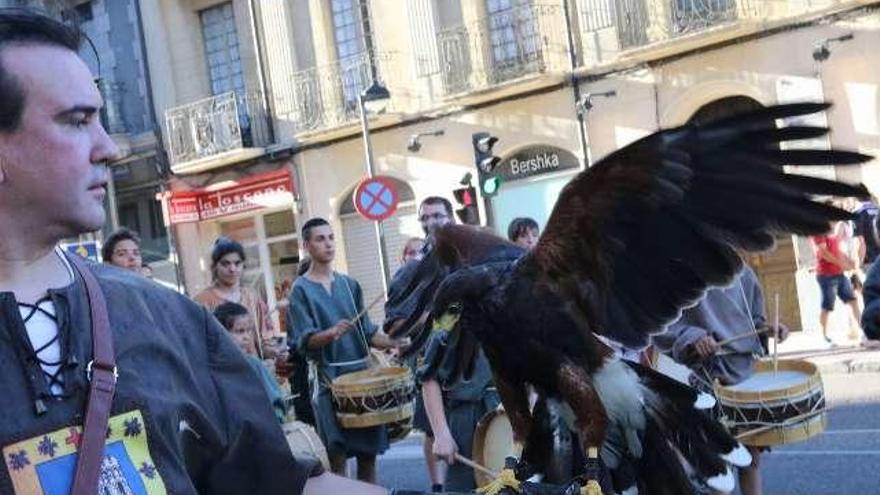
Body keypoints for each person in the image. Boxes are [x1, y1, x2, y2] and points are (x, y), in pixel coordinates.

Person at [0, 10, 392, 494]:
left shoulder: (164, 316)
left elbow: (274, 483)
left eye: (100, 119)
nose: (109, 148)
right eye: (77, 121)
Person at [384, 197, 499, 492]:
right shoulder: (414, 272)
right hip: (451, 386)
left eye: (438, 215)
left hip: (501, 406)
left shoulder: (502, 302)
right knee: (436, 436)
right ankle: (436, 483)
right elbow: (397, 326)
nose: (431, 222)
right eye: (425, 217)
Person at [653, 266, 788, 495]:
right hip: (711, 379)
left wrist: (769, 329)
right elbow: (664, 327)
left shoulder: (744, 272)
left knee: (751, 462)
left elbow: (755, 321)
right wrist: (693, 338)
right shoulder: (684, 271)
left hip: (746, 377)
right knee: (720, 472)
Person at [288, 217, 405, 483]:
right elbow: (303, 341)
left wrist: (397, 341)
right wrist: (330, 333)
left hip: (363, 380)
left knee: (368, 455)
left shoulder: (349, 285)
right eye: (320, 239)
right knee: (336, 458)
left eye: (331, 237)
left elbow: (369, 333)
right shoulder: (300, 290)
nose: (328, 244)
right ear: (307, 245)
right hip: (330, 382)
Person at [194, 237, 277, 358]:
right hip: (223, 371)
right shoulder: (201, 301)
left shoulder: (252, 297)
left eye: (237, 263)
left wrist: (274, 353)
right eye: (225, 264)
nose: (232, 269)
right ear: (214, 267)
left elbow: (263, 339)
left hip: (253, 369)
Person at [214, 302, 287, 423]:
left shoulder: (254, 365)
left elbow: (276, 402)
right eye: (240, 331)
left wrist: (275, 422)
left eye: (249, 331)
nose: (247, 337)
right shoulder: (214, 369)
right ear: (220, 333)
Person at [812, 219, 862, 344]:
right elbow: (823, 253)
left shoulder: (832, 231)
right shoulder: (818, 231)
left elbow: (836, 250)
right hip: (826, 275)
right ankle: (824, 336)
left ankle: (865, 330)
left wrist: (848, 262)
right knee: (827, 306)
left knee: (853, 300)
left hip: (839, 274)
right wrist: (842, 263)